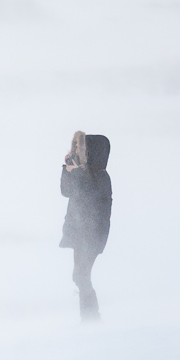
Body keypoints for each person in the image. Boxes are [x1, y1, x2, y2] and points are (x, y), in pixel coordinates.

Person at [59, 131, 112, 321]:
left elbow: (88, 193)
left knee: (81, 276)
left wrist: (78, 172)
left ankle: (90, 318)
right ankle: (89, 317)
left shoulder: (101, 177)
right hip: (80, 233)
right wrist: (68, 170)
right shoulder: (85, 174)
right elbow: (67, 191)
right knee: (79, 276)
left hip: (92, 235)